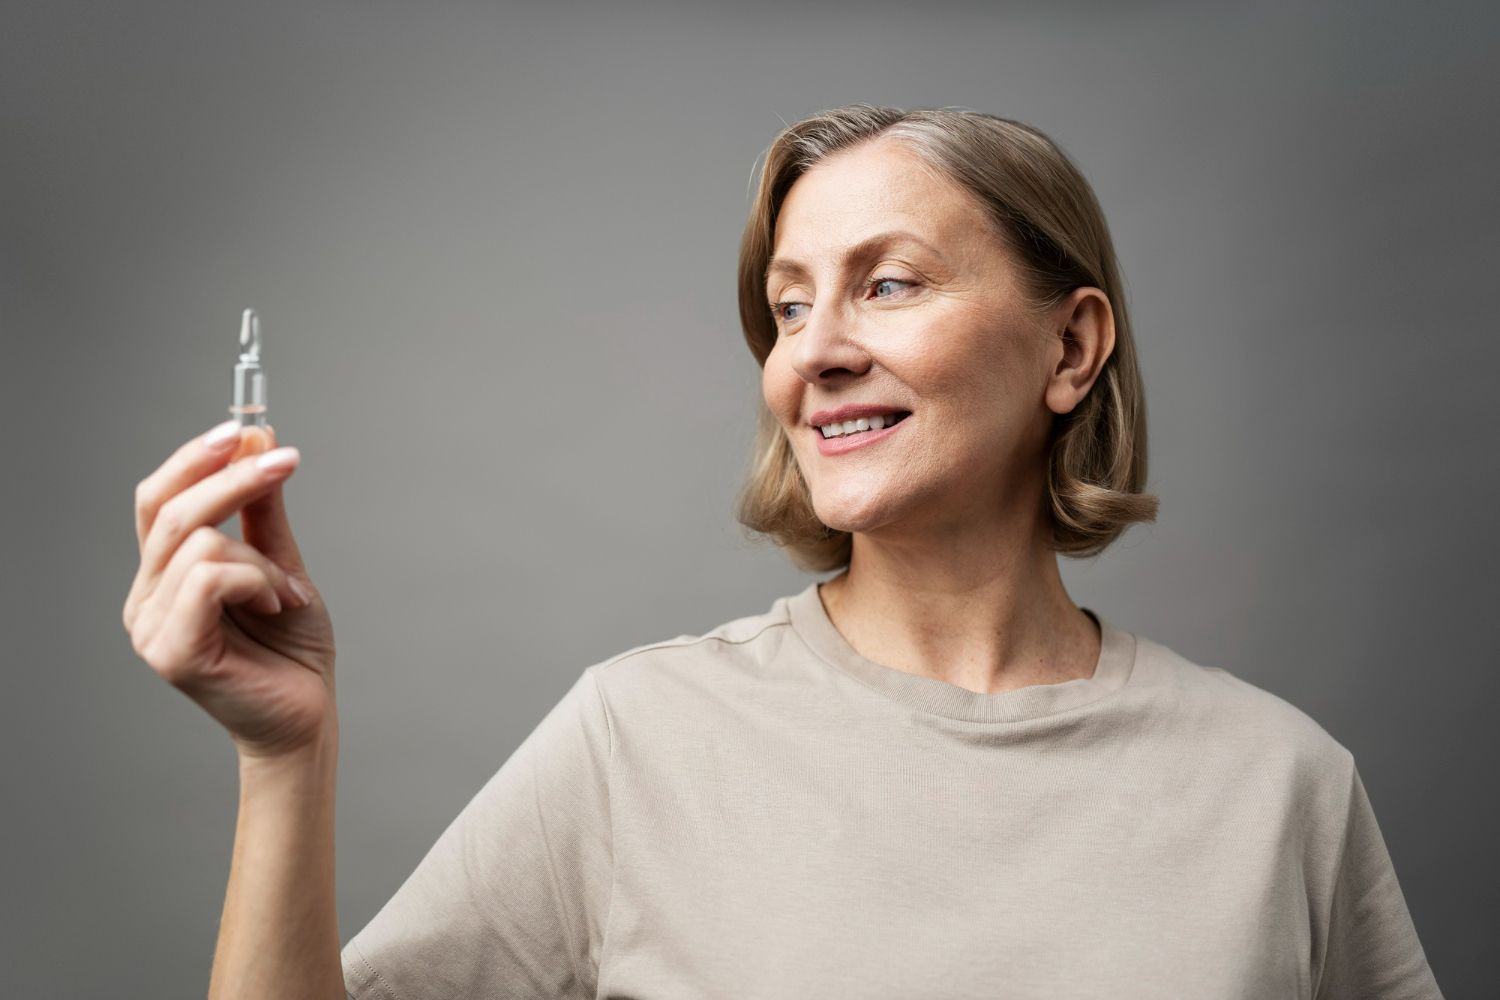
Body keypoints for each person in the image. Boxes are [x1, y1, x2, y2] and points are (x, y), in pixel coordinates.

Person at [123, 104, 1444, 999]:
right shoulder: (638, 739)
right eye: (788, 305)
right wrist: (284, 758)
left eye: (890, 281)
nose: (810, 352)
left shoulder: (1282, 788)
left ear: (1072, 346)